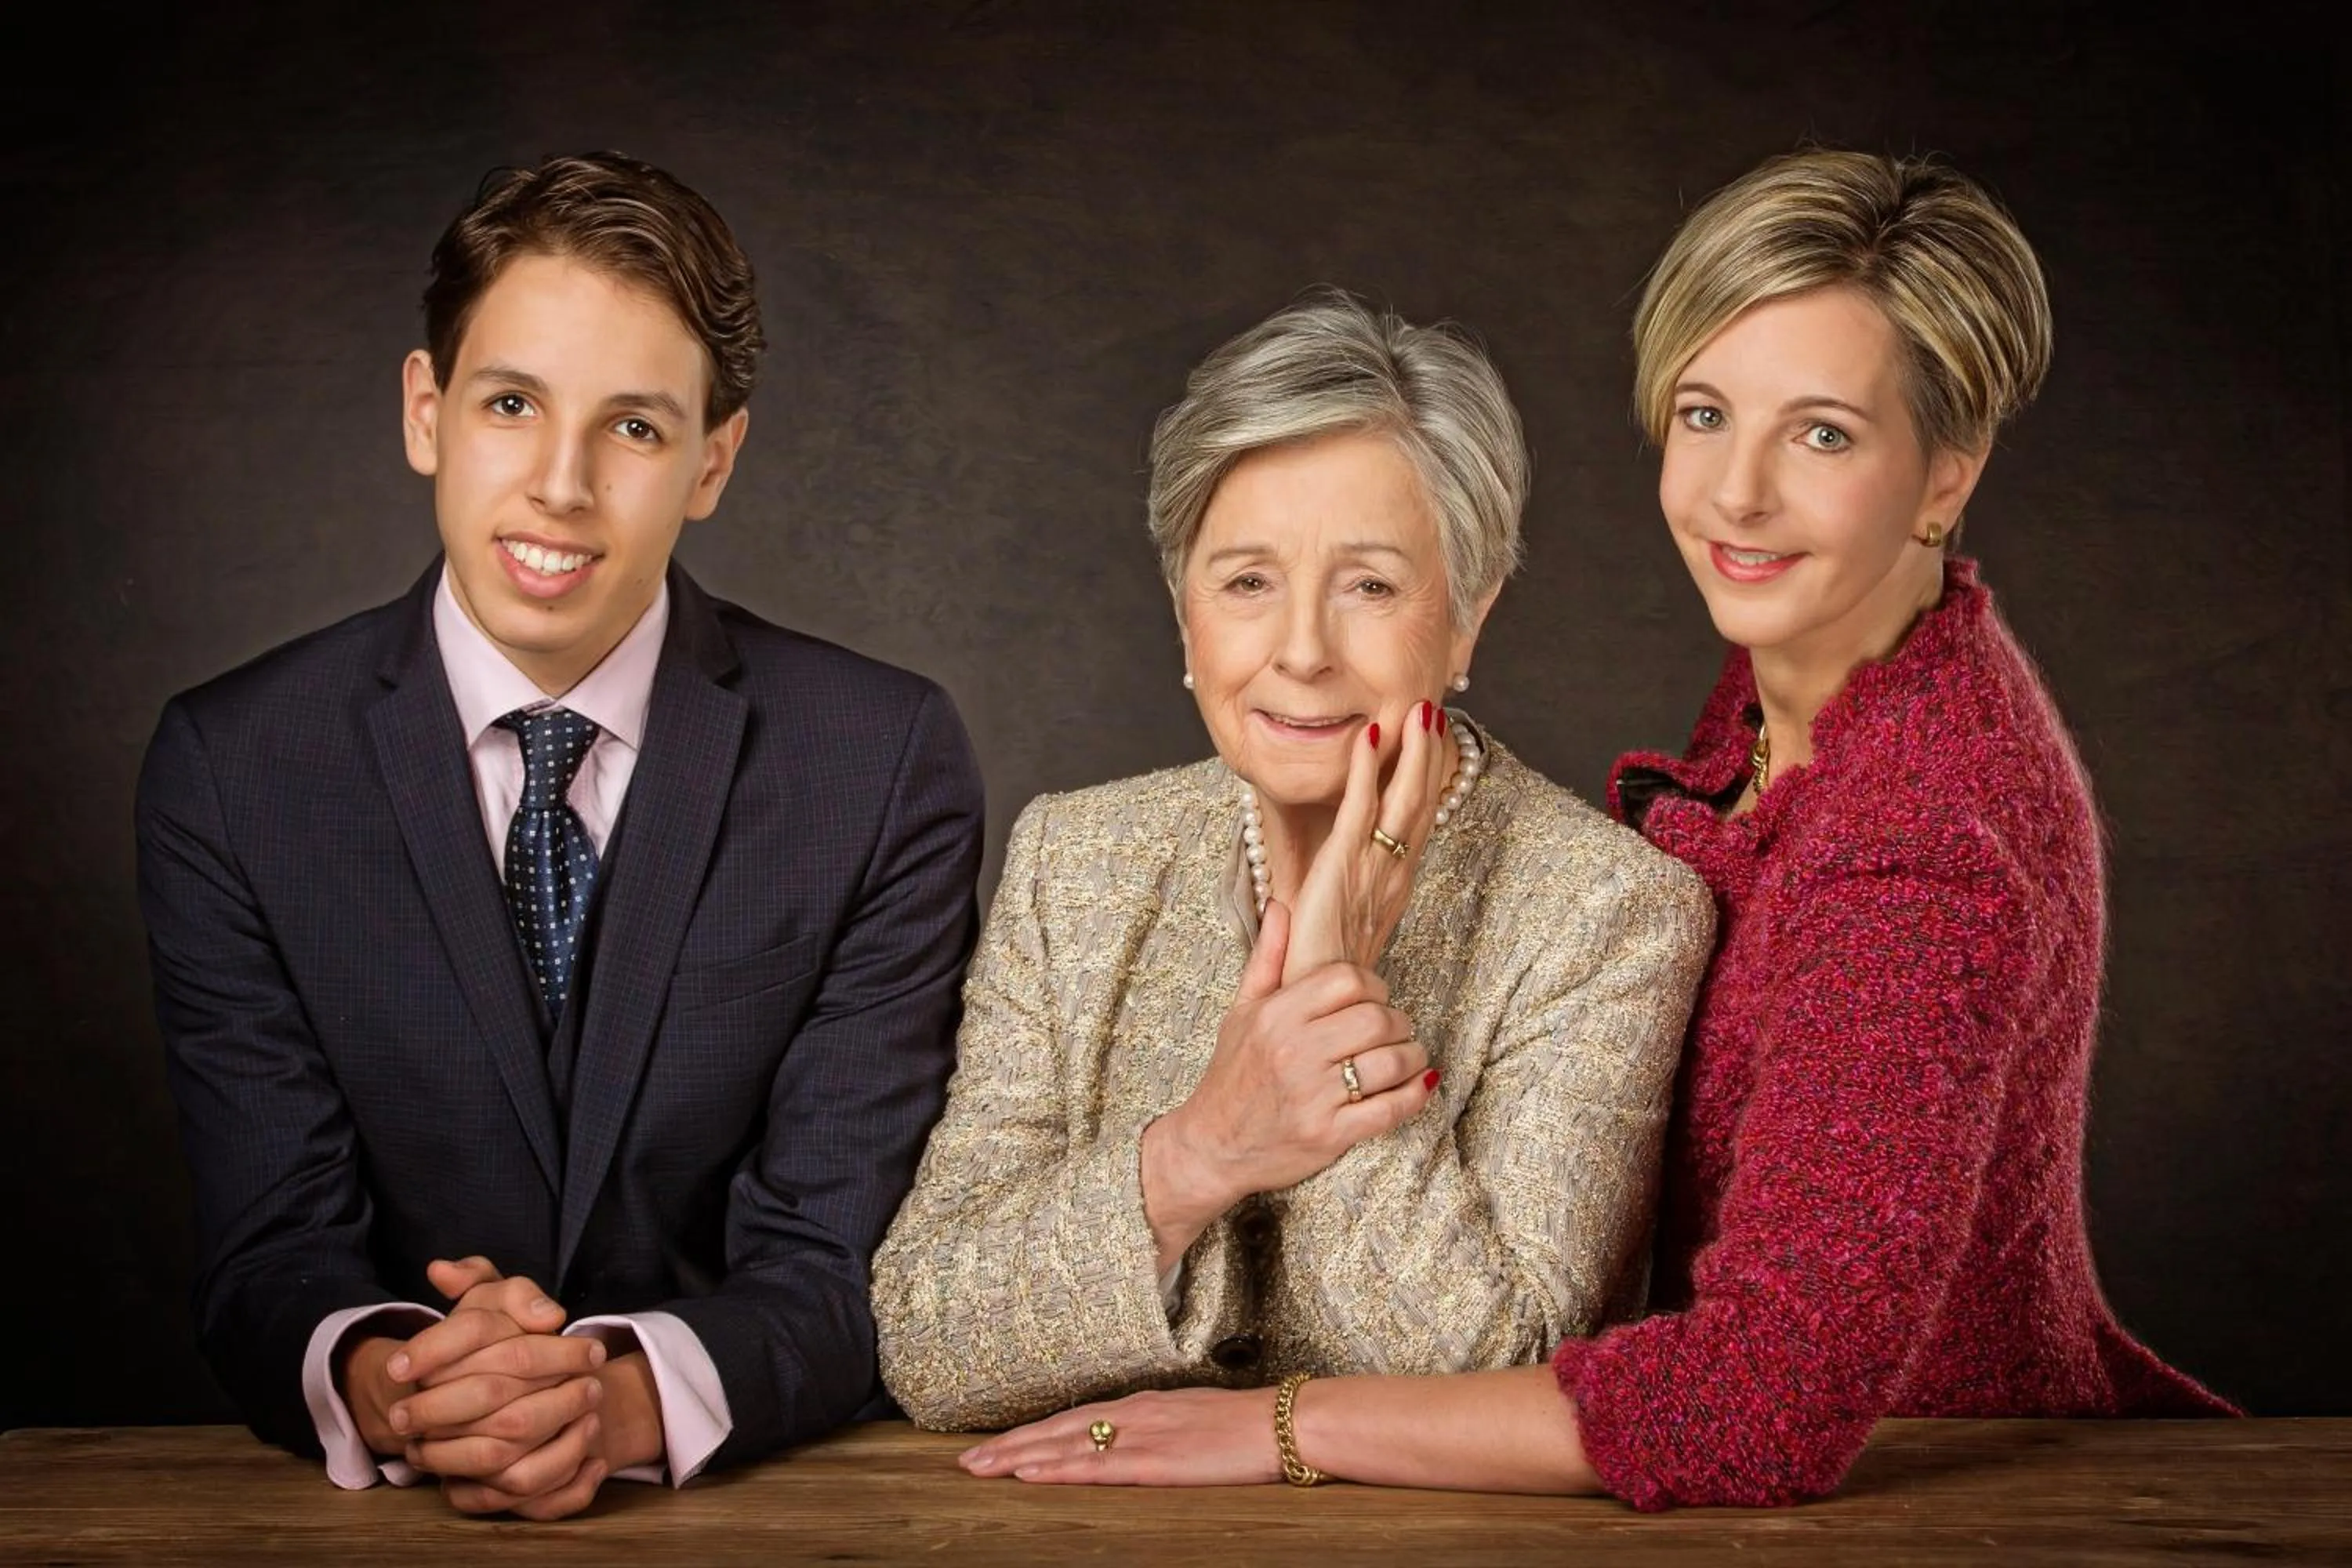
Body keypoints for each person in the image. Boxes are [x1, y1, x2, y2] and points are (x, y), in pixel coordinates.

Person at [956, 150, 2237, 1505]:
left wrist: (1283, 1424)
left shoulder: (1921, 835)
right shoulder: (1792, 688)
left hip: (1945, 1498)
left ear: (1943, 477)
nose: (1737, 494)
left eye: (1822, 435)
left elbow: (1759, 1408)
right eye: (1705, 414)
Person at [136, 152, 984, 1520]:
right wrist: (396, 1383)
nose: (561, 485)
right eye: (512, 404)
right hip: (381, 1513)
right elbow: (271, 1251)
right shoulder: (233, 768)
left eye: (634, 427)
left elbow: (837, 1261)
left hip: (754, 1517)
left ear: (713, 461)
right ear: (427, 413)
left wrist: (612, 1399)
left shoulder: (877, 760)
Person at [870, 290, 1715, 1431]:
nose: (1304, 651)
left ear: (1467, 617)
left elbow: (1514, 1367)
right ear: (1185, 617)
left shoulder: (1609, 911)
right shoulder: (1076, 862)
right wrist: (1200, 1152)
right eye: (1248, 583)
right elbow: (928, 1340)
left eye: (1370, 585)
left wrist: (1333, 995)